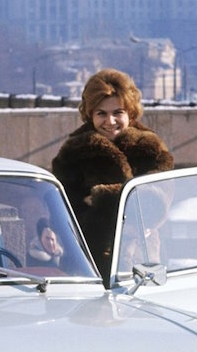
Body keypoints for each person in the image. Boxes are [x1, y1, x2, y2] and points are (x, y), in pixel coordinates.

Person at [51, 68, 174, 275]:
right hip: (88, 260)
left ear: (130, 113)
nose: (110, 121)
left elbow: (157, 201)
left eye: (118, 113)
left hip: (141, 262)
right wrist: (123, 199)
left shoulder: (150, 148)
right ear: (90, 115)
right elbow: (64, 209)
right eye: (102, 114)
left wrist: (100, 196)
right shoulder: (73, 153)